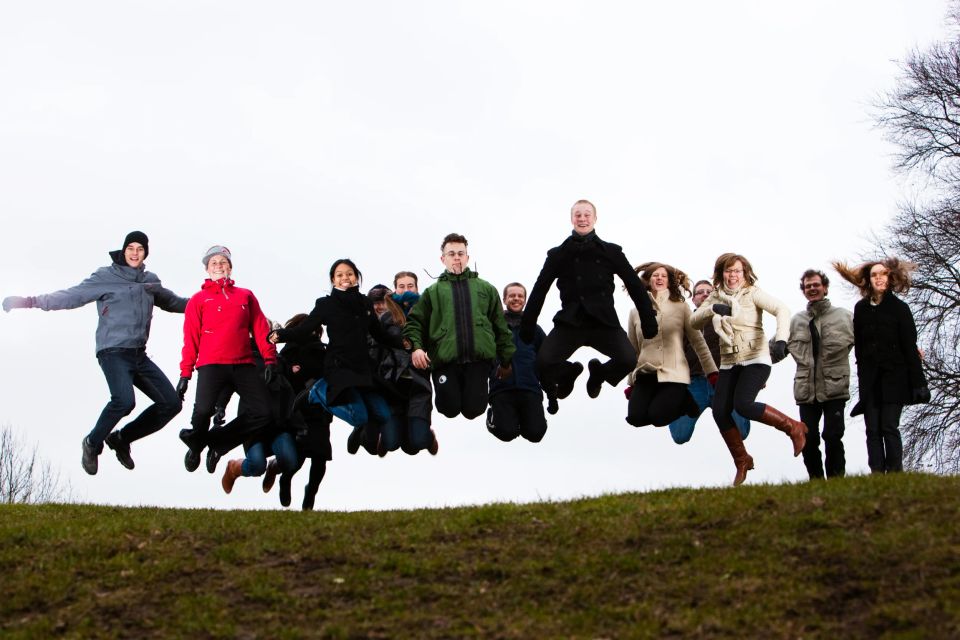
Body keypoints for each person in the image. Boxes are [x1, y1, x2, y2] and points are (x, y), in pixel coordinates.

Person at [2, 231, 187, 474]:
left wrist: (210, 303)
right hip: (112, 352)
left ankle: (121, 439)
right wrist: (29, 301)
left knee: (171, 403)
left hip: (138, 355)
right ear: (123, 251)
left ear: (145, 253)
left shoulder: (149, 282)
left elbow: (175, 302)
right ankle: (92, 442)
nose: (134, 253)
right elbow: (71, 296)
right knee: (124, 400)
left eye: (139, 249)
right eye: (130, 248)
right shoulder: (106, 276)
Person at [520, 200, 658, 410]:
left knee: (628, 359)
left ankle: (599, 374)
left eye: (586, 215)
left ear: (595, 219)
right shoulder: (558, 254)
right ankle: (568, 374)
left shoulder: (611, 252)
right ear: (571, 219)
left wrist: (648, 320)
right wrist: (528, 325)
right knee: (543, 362)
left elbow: (634, 285)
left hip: (603, 322)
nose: (582, 219)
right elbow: (540, 289)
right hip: (571, 322)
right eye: (578, 215)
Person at [176, 246, 290, 496]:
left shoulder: (245, 296)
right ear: (207, 268)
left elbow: (261, 329)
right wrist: (185, 374)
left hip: (243, 363)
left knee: (262, 412)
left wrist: (270, 361)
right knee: (203, 411)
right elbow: (190, 338)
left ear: (230, 267)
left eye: (223, 262)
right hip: (211, 363)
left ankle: (217, 444)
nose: (219, 265)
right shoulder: (198, 300)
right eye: (214, 262)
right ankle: (196, 447)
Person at [690, 253, 807, 486]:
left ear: (744, 273)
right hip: (729, 362)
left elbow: (782, 309)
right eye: (728, 271)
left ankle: (793, 427)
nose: (732, 276)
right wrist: (715, 308)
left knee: (743, 404)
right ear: (721, 274)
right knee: (720, 411)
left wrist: (782, 339)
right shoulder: (715, 296)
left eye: (737, 271)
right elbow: (694, 322)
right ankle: (743, 460)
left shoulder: (753, 293)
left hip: (756, 358)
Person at [268, 258, 400, 455]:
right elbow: (305, 329)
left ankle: (360, 433)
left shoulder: (364, 303)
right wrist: (281, 335)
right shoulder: (326, 304)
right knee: (359, 417)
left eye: (349, 274)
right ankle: (317, 392)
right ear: (333, 280)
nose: (345, 278)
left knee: (382, 413)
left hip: (362, 367)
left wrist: (406, 344)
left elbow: (379, 334)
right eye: (339, 275)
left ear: (356, 277)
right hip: (340, 367)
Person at [403, 233, 515, 420]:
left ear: (467, 257)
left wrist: (505, 361)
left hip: (478, 361)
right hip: (445, 360)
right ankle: (446, 395)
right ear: (443, 259)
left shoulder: (486, 289)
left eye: (461, 253)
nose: (456, 257)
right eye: (451, 254)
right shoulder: (433, 292)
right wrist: (416, 348)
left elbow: (500, 326)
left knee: (474, 410)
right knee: (449, 408)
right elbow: (414, 323)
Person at [833, 257, 929, 473]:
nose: (879, 278)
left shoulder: (900, 309)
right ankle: (877, 473)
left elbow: (909, 347)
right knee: (872, 429)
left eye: (883, 274)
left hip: (896, 378)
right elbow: (859, 348)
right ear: (868, 280)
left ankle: (895, 474)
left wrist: (919, 383)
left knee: (888, 426)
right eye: (874, 275)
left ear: (891, 277)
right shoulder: (861, 309)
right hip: (871, 380)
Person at [624, 263, 715, 428]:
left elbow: (698, 343)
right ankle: (678, 399)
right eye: (655, 275)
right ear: (648, 280)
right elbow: (632, 350)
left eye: (663, 276)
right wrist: (631, 382)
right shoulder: (635, 312)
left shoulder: (681, 308)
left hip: (674, 372)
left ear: (669, 281)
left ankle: (684, 398)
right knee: (635, 419)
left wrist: (712, 373)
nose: (659, 278)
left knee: (658, 418)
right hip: (646, 372)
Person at [787, 269, 854, 480]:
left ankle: (836, 481)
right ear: (804, 291)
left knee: (833, 436)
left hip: (834, 387)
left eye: (816, 285)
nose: (812, 289)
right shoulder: (796, 321)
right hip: (806, 390)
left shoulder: (844, 317)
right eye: (808, 286)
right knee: (808, 437)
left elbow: (871, 341)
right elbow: (774, 349)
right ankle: (816, 480)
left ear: (825, 287)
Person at [666, 280, 750, 445]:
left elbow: (744, 345)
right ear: (694, 299)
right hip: (693, 384)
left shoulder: (727, 320)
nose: (705, 294)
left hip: (723, 380)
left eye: (709, 292)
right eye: (700, 292)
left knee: (742, 432)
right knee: (679, 435)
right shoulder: (685, 323)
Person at [486, 282, 549, 443]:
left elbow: (548, 356)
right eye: (512, 296)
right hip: (502, 388)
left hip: (530, 387)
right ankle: (494, 417)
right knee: (506, 432)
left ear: (525, 300)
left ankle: (528, 420)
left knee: (536, 433)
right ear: (505, 299)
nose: (516, 299)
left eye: (520, 296)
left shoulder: (535, 329)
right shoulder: (493, 328)